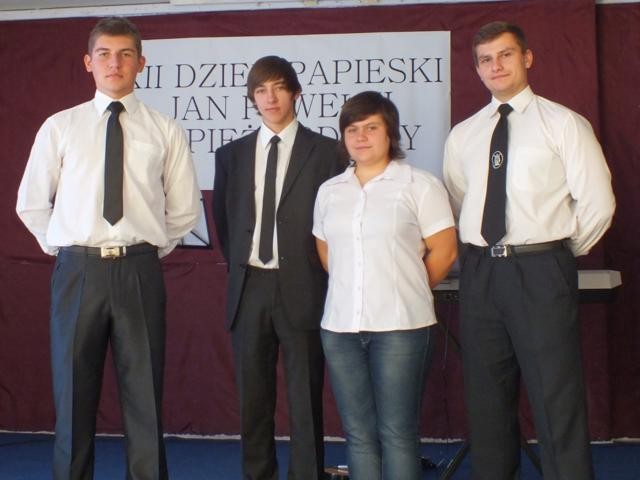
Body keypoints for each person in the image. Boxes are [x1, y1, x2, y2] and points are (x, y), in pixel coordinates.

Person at [15, 16, 200, 480]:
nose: (114, 63)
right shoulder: (61, 127)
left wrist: (145, 250)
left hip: (139, 270)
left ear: (141, 62)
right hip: (78, 272)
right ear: (88, 62)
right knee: (73, 395)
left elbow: (183, 210)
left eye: (124, 55)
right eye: (104, 54)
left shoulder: (164, 130)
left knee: (144, 396)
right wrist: (66, 249)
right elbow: (31, 203)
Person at [443, 21, 615, 480]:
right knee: (486, 400)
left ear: (527, 58)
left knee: (556, 397)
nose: (495, 66)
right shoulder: (464, 134)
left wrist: (555, 252)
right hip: (481, 273)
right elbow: (460, 200)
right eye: (485, 59)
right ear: (477, 68)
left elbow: (598, 203)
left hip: (541, 270)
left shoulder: (563, 124)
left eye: (505, 55)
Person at [212, 55, 345, 480]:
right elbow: (225, 222)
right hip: (249, 286)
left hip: (304, 285)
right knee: (253, 398)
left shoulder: (327, 152)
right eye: (260, 90)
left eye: (279, 88)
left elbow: (336, 222)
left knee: (305, 396)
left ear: (296, 93)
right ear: (252, 98)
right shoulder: (231, 155)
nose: (270, 98)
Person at [313, 91, 458, 480]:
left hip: (401, 328)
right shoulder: (330, 191)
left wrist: (405, 288)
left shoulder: (419, 185)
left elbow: (444, 251)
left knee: (397, 434)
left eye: (371, 128)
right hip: (340, 329)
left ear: (390, 133)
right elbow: (326, 252)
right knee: (359, 436)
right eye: (352, 129)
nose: (361, 137)